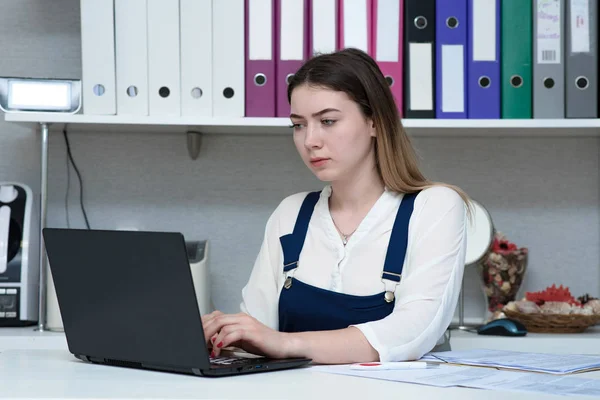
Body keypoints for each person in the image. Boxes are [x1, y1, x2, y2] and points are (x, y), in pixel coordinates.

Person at [202, 48, 471, 365]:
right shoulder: (290, 214)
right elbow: (258, 334)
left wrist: (283, 343)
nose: (310, 140)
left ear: (374, 121)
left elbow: (412, 332)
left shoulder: (435, 207)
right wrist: (226, 334)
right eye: (298, 125)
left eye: (327, 121)